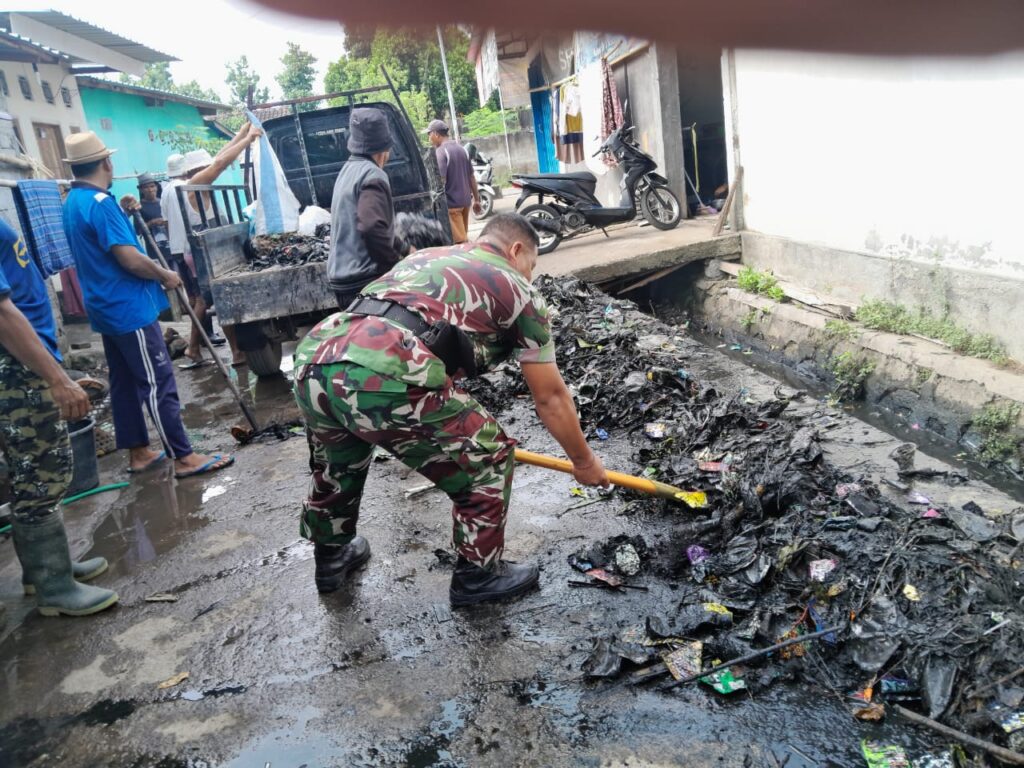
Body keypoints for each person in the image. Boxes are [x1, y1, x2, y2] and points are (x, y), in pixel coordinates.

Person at [293, 212, 608, 604]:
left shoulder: (425, 258)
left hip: (318, 358)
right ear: (516, 250)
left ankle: (331, 557)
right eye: (532, 264)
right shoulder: (520, 292)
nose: (531, 276)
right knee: (489, 456)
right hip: (386, 367)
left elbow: (423, 329)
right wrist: (584, 462)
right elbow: (550, 398)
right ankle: (478, 575)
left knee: (337, 462)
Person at [60, 130, 234, 479]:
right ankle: (183, 456)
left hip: (104, 306)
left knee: (124, 381)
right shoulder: (100, 204)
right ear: (107, 162)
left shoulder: (73, 203)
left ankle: (139, 451)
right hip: (127, 308)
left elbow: (102, 245)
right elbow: (127, 257)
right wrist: (163, 274)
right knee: (157, 380)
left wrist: (122, 213)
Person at [0, 216, 118, 618]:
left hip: (23, 361)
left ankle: (43, 571)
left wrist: (57, 366)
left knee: (28, 470)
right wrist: (54, 377)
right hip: (15, 368)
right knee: (41, 472)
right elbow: (1, 314)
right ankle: (55, 588)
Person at [172, 125, 261, 367]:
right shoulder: (196, 184)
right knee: (211, 300)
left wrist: (242, 132)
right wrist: (248, 139)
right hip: (202, 251)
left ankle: (230, 351)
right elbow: (220, 163)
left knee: (211, 299)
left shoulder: (196, 184)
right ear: (197, 170)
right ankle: (201, 348)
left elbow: (220, 156)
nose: (213, 170)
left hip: (201, 250)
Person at [327, 107, 410, 311]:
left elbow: (373, 224)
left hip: (342, 280)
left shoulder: (348, 170)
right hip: (363, 281)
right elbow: (372, 226)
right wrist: (394, 268)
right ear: (385, 149)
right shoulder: (373, 174)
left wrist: (406, 249)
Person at [427, 119, 481, 244]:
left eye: (429, 134)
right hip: (465, 203)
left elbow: (441, 180)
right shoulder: (462, 149)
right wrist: (476, 200)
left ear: (436, 134)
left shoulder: (441, 152)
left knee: (460, 243)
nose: (428, 138)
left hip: (452, 206)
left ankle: (474, 261)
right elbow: (471, 177)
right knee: (463, 237)